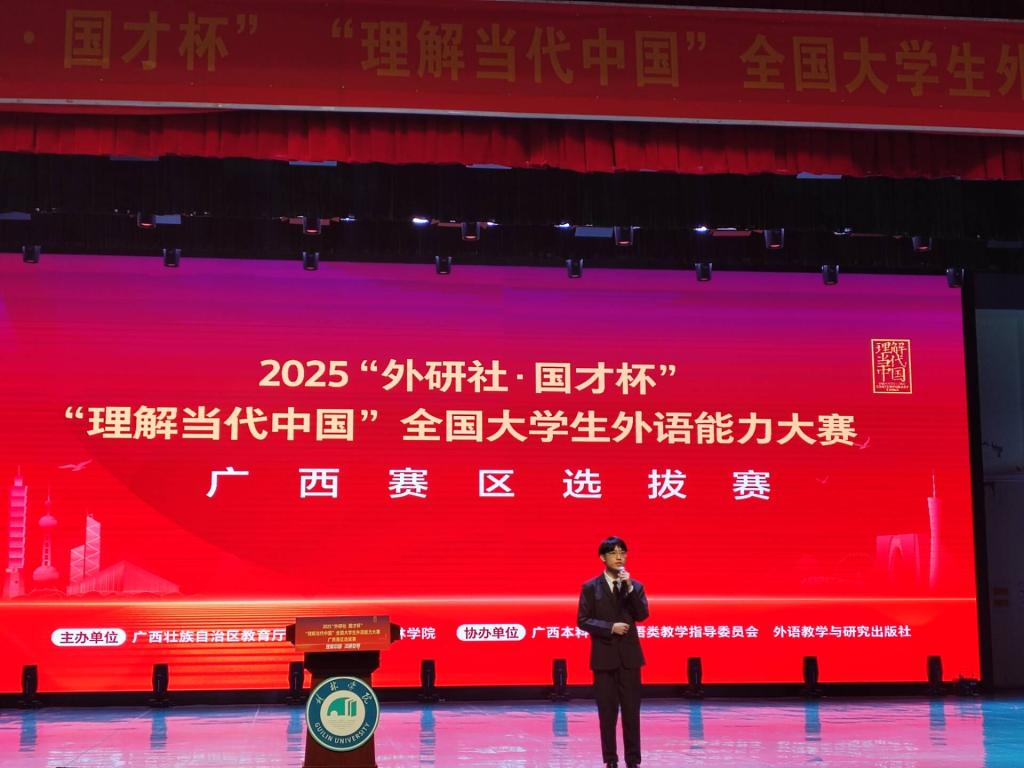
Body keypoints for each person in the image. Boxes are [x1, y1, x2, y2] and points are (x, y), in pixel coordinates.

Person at [577, 536, 649, 768]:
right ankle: (610, 760)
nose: (619, 557)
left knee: (631, 714)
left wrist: (629, 588)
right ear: (602, 557)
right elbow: (583, 620)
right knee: (607, 715)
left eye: (623, 552)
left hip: (630, 660)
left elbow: (642, 615)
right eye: (613, 553)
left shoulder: (635, 586)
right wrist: (610, 628)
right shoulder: (590, 587)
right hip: (604, 659)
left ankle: (633, 761)